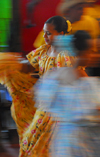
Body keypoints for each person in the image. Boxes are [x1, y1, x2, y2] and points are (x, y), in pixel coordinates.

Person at [0, 16, 74, 157]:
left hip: (57, 109)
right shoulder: (43, 51)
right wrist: (11, 64)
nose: (45, 36)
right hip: (44, 106)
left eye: (49, 33)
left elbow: (67, 81)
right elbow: (27, 66)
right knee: (32, 143)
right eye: (44, 32)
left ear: (62, 34)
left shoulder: (65, 55)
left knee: (41, 144)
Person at [35, 30, 100, 157]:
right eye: (91, 51)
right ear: (84, 52)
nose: (94, 55)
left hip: (61, 138)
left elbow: (42, 100)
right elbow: (94, 111)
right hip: (82, 141)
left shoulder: (54, 77)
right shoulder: (85, 80)